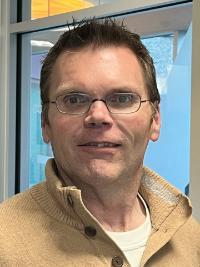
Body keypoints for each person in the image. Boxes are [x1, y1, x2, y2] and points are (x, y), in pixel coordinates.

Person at [0, 18, 199, 267]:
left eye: (123, 98)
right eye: (73, 100)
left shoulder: (191, 240)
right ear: (45, 124)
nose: (98, 116)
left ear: (155, 120)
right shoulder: (4, 244)